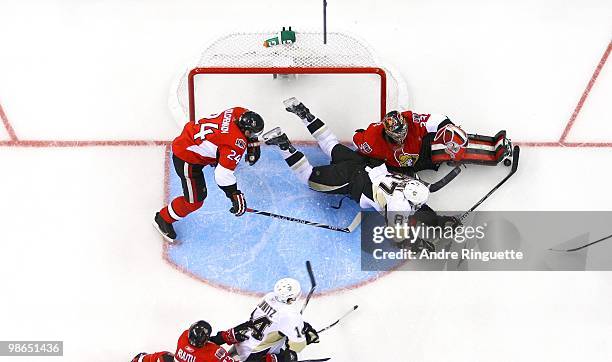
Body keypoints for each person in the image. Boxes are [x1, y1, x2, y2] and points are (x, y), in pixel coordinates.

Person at [263, 97, 431, 218]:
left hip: (361, 163)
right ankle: (283, 144)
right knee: (308, 177)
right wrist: (416, 244)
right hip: (351, 178)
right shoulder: (398, 204)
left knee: (330, 143)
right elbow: (399, 236)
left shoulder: (411, 182)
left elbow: (419, 201)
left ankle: (305, 113)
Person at [153, 107, 264, 242]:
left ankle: (215, 156)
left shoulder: (237, 112)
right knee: (195, 201)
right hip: (186, 157)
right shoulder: (234, 144)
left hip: (190, 137)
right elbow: (222, 175)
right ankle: (163, 219)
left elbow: (233, 132)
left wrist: (252, 143)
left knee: (221, 150)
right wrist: (234, 195)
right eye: (251, 135)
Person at [353, 107, 511, 174]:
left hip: (422, 151)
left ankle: (494, 149)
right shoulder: (372, 139)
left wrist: (449, 131)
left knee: (448, 145)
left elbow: (438, 119)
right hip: (400, 170)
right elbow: (356, 139)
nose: (402, 135)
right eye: (398, 133)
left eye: (404, 130)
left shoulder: (411, 119)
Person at [232, 278, 319, 362]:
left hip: (240, 343)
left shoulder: (269, 296)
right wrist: (305, 336)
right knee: (293, 356)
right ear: (291, 299)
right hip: (253, 356)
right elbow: (298, 345)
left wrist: (298, 326)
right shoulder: (291, 315)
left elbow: (275, 318)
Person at [131, 320, 250, 362]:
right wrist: (226, 337)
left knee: (163, 356)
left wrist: (224, 337)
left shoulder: (183, 337)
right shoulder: (214, 352)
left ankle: (139, 360)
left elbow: (201, 346)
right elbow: (209, 346)